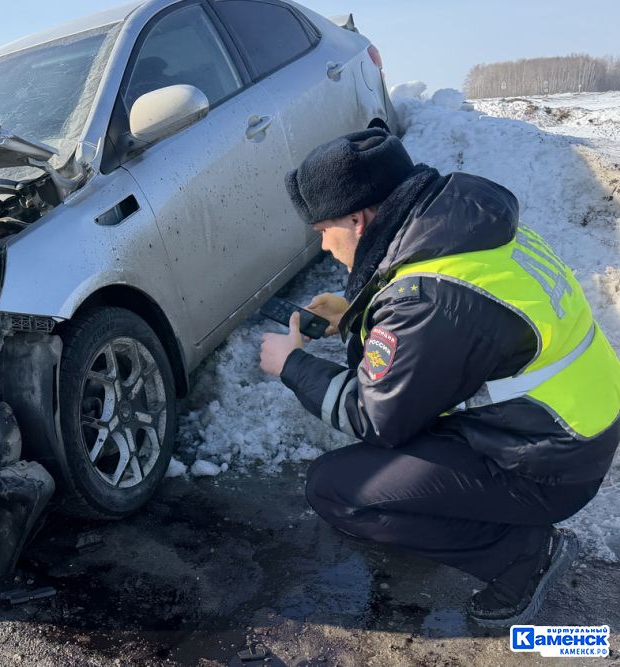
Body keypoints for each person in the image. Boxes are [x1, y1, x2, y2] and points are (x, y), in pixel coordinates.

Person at [259, 128, 620, 627]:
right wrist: (355, 315)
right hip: (566, 426)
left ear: (357, 219)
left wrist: (291, 364)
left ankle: (522, 556)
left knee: (336, 489)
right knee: (390, 456)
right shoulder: (464, 227)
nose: (323, 246)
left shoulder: (430, 296)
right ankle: (436, 515)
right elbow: (448, 339)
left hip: (546, 465)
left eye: (323, 230)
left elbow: (375, 414)